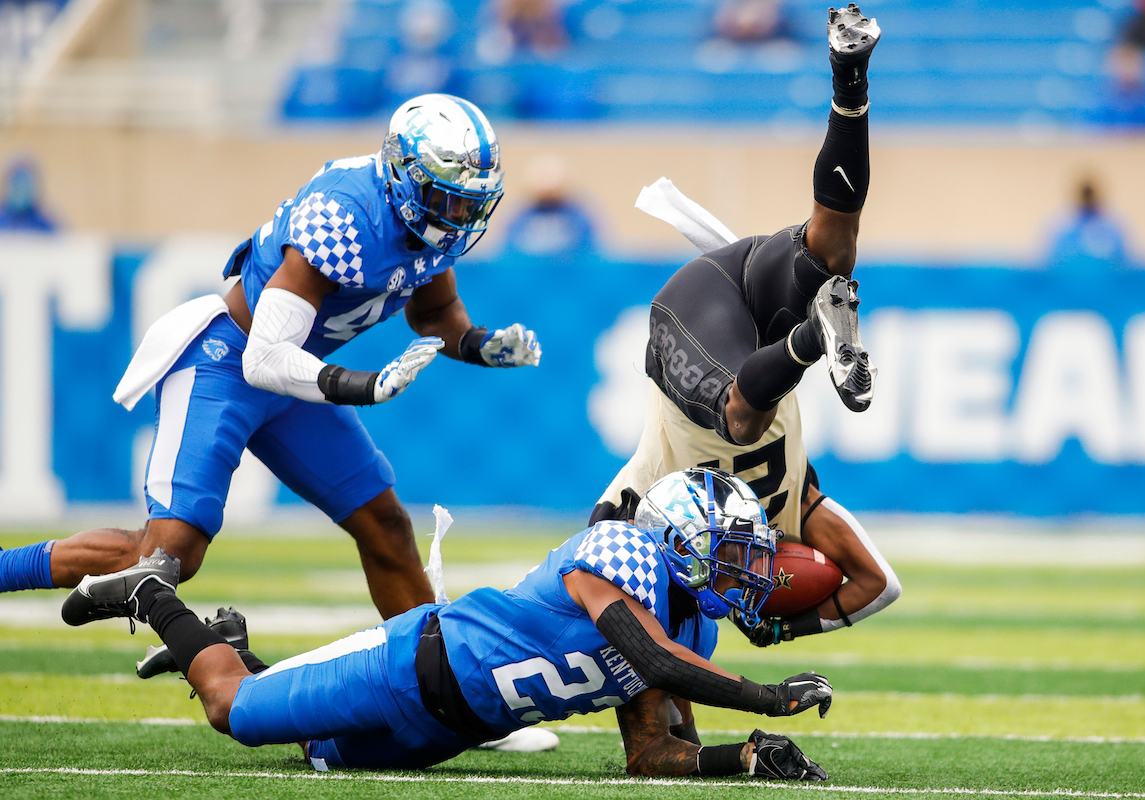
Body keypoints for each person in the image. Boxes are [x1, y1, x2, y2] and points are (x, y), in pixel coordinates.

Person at [0, 94, 541, 625]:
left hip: (293, 376)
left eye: (469, 203)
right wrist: (364, 384)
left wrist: (478, 344)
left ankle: (433, 677)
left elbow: (436, 312)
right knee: (167, 556)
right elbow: (264, 357)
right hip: (226, 362)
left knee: (386, 525)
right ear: (404, 177)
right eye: (449, 200)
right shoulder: (345, 216)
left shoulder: (427, 228)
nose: (460, 216)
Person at [62, 467, 834, 780]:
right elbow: (647, 655)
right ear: (678, 538)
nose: (746, 572)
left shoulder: (693, 631)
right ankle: (151, 599)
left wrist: (744, 758)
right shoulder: (621, 550)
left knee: (316, 754)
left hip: (450, 730)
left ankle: (233, 648)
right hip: (409, 664)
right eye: (729, 553)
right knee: (233, 713)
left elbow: (654, 753)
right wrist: (768, 698)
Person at [591, 5, 901, 648]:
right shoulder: (793, 510)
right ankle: (816, 334)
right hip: (704, 312)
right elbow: (879, 583)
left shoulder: (643, 498)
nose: (746, 574)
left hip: (729, 343)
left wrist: (776, 631)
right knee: (744, 412)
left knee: (830, 255)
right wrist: (781, 630)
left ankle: (850, 81)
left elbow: (880, 584)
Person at [503, 154, 597, 257]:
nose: (549, 197)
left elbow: (591, 246)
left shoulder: (578, 214)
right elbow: (508, 246)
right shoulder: (520, 214)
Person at [1046, 177, 1129, 268]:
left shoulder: (1111, 226)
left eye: (1090, 196)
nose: (1088, 200)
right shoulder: (1064, 227)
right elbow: (1054, 259)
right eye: (1085, 196)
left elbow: (1122, 258)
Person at [0, 156, 58, 232]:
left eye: (25, 186)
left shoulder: (46, 223)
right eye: (17, 186)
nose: (21, 192)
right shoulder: (2, 219)